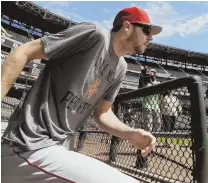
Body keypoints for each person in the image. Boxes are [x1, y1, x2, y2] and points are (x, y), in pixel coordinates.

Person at [1, 6, 162, 183]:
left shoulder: (121, 68)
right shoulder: (95, 35)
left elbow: (103, 113)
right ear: (127, 26)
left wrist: (130, 133)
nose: (151, 37)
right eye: (147, 30)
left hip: (59, 150)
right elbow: (24, 51)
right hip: (29, 144)